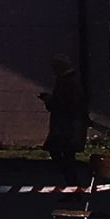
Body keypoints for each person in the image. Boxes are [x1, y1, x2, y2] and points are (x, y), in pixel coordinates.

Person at [39, 53, 89, 186]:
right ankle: (72, 186)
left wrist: (50, 101)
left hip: (66, 128)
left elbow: (63, 105)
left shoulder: (66, 83)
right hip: (68, 127)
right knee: (66, 157)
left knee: (63, 155)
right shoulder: (70, 81)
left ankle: (73, 187)